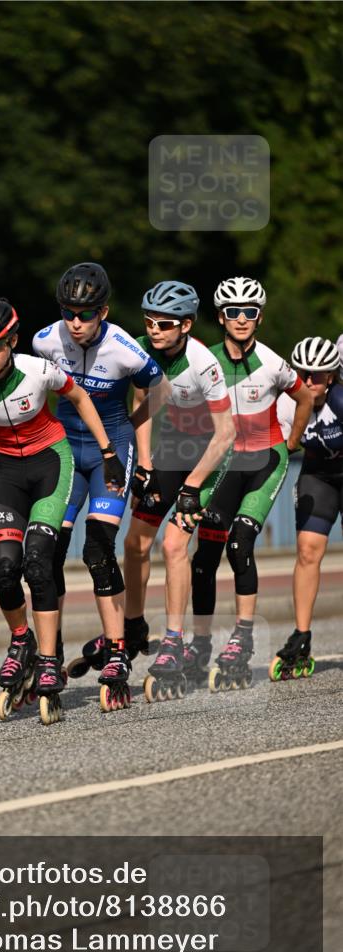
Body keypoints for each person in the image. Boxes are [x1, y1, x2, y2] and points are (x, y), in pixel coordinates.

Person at [0, 297, 126, 724]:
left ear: (12, 341)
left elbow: (80, 397)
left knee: (37, 562)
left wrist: (107, 452)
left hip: (51, 462)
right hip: (8, 472)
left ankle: (49, 659)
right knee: (4, 570)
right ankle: (21, 640)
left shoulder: (38, 370)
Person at [32, 262, 167, 708]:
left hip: (111, 452)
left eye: (86, 314)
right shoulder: (45, 341)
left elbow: (160, 391)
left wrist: (139, 447)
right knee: (49, 552)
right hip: (67, 453)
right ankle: (49, 655)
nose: (76, 322)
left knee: (97, 549)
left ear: (103, 312)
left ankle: (117, 652)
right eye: (68, 313)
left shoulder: (125, 349)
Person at [184, 277, 313, 690]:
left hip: (265, 461)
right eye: (233, 312)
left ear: (260, 317)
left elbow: (306, 398)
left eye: (250, 312)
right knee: (204, 555)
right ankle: (200, 642)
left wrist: (292, 441)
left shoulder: (273, 363)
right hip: (225, 464)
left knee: (239, 543)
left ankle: (242, 638)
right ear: (221, 318)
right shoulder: (205, 360)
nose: (242, 319)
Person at [122, 280, 237, 700]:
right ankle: (134, 627)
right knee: (134, 542)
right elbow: (143, 403)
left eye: (165, 324)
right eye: (149, 321)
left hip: (210, 455)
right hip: (171, 448)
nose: (155, 330)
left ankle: (173, 640)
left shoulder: (204, 363)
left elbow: (227, 433)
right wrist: (144, 462)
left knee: (173, 545)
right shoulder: (141, 349)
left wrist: (192, 486)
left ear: (186, 325)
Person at [272, 336, 343, 679]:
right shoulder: (287, 404)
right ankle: (302, 635)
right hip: (319, 475)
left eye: (317, 375)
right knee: (307, 550)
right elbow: (279, 452)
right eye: (303, 373)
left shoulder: (340, 401)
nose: (309, 381)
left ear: (331, 377)